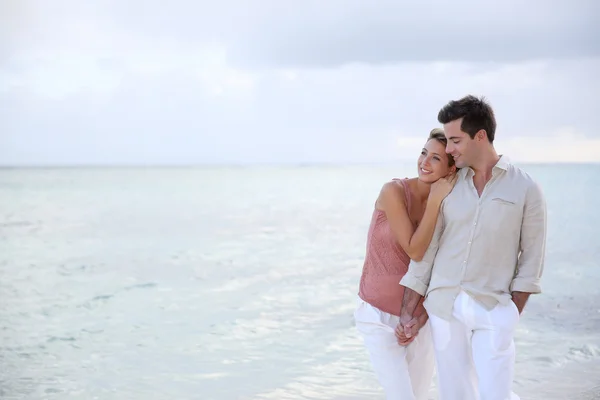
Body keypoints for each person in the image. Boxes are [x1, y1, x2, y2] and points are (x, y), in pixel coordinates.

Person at [398, 95, 547, 400]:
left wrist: (510, 314)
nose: (449, 149)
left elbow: (532, 261)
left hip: (493, 307)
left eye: (455, 140)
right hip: (445, 306)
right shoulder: (449, 185)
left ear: (480, 136)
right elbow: (428, 251)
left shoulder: (526, 188)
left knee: (496, 393)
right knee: (455, 394)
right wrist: (407, 310)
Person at [354, 128, 458, 400]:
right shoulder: (393, 191)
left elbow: (441, 269)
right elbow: (414, 249)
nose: (424, 162)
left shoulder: (451, 207)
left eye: (436, 158)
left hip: (417, 320)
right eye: (424, 153)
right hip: (377, 316)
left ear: (451, 168)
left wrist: (418, 318)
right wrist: (435, 200)